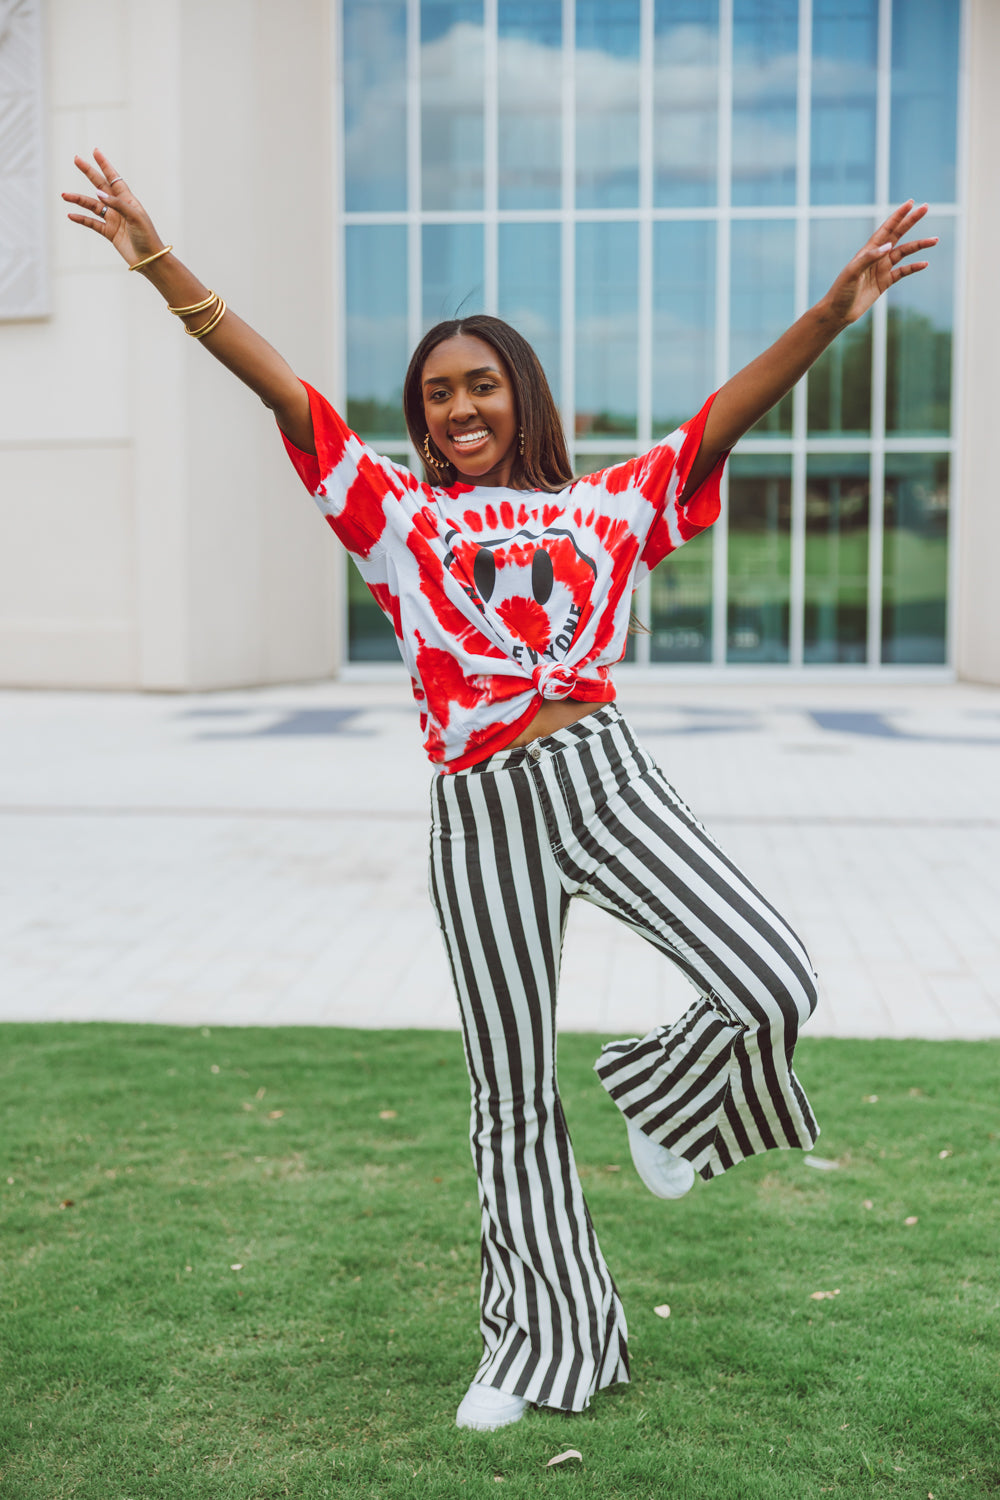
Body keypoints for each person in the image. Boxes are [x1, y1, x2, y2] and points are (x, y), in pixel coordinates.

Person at [64, 149, 936, 1433]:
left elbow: (725, 411)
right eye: (435, 396)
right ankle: (538, 1348)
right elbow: (277, 387)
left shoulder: (614, 505)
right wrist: (156, 266)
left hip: (603, 777)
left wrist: (830, 312)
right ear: (419, 420)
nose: (457, 409)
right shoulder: (392, 514)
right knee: (509, 1090)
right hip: (479, 811)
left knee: (769, 975)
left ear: (521, 396)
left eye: (478, 386)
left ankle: (670, 1100)